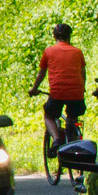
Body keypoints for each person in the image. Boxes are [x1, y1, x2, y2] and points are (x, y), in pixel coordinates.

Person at [29, 23, 87, 155]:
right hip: (76, 94)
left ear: (55, 36)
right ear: (69, 36)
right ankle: (73, 138)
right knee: (72, 117)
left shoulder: (49, 51)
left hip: (57, 93)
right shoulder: (77, 52)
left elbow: (41, 73)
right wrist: (82, 89)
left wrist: (34, 89)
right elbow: (83, 73)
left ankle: (56, 140)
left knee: (49, 115)